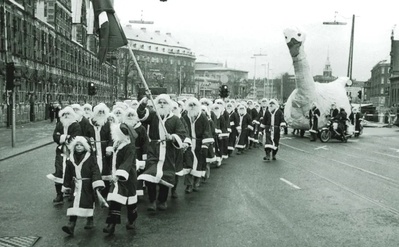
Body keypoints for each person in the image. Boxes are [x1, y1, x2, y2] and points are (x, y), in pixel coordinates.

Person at [137, 94, 188, 211]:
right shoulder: (153, 115)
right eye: (159, 102)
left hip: (168, 151)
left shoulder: (175, 119)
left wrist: (173, 137)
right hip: (154, 149)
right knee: (151, 174)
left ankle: (162, 200)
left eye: (164, 102)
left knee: (165, 175)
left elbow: (182, 133)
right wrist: (145, 101)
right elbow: (140, 114)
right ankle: (152, 201)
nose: (161, 104)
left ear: (169, 105)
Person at [61, 136, 105, 235]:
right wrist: (66, 186)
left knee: (88, 202)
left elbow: (95, 171)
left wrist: (96, 183)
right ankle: (71, 224)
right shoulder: (71, 159)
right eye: (77, 145)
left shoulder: (90, 158)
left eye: (81, 145)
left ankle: (90, 219)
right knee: (73, 204)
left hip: (87, 185)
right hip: (75, 185)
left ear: (85, 146)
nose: (79, 147)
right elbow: (68, 173)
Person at [103, 123, 138, 234]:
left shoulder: (130, 147)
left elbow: (127, 162)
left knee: (130, 201)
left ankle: (131, 220)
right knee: (115, 199)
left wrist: (119, 174)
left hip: (128, 177)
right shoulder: (117, 144)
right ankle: (111, 224)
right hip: (117, 177)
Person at [47, 106, 82, 204]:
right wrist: (66, 137)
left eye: (68, 114)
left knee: (72, 172)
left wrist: (62, 138)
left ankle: (71, 192)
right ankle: (59, 195)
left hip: (72, 152)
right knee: (58, 171)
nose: (66, 116)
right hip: (60, 152)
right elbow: (55, 137)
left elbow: (75, 138)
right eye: (64, 114)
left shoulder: (76, 125)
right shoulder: (59, 124)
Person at [182, 97, 213, 193]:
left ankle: (196, 181)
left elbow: (207, 131)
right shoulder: (184, 117)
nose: (192, 107)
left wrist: (205, 145)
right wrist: (185, 141)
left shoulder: (203, 117)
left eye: (194, 105)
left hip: (200, 143)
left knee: (199, 163)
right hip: (189, 143)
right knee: (188, 163)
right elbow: (182, 130)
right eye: (190, 105)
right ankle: (188, 185)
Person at [86, 103, 113, 198]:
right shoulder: (89, 123)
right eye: (99, 112)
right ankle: (94, 191)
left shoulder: (107, 124)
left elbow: (111, 137)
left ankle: (105, 192)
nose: (101, 113)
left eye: (103, 112)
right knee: (93, 169)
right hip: (93, 150)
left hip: (104, 150)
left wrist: (109, 148)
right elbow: (85, 136)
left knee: (106, 169)